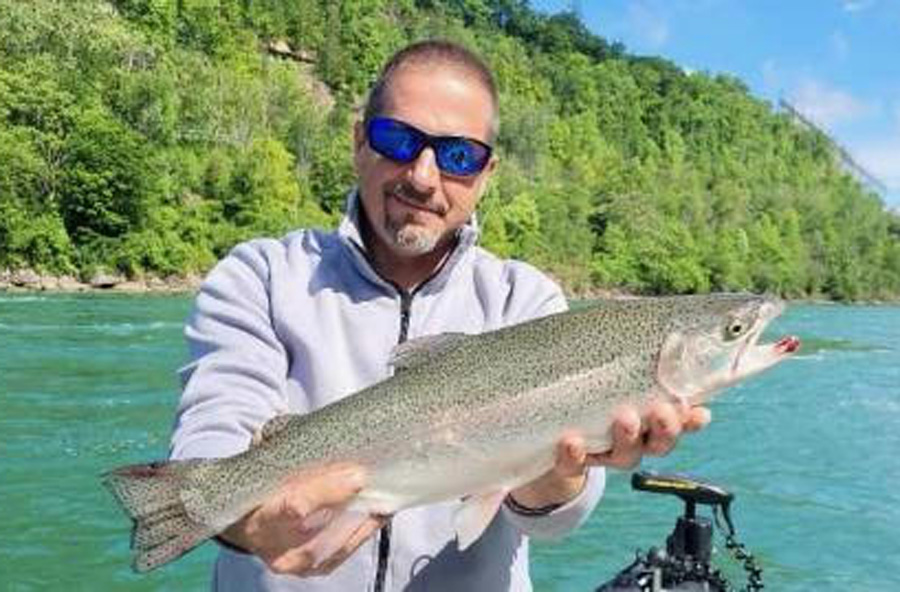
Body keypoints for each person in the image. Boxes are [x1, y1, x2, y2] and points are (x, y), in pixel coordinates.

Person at [169, 40, 710, 592]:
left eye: (459, 157)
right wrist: (246, 524)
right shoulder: (261, 275)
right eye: (398, 140)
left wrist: (553, 479)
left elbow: (555, 522)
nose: (424, 177)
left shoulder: (525, 301)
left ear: (486, 173)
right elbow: (213, 436)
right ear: (359, 142)